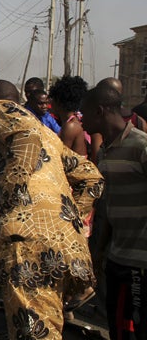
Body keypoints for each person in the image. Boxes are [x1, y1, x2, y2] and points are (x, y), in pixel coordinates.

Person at [0, 80, 103, 338]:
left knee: (33, 332)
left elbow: (25, 140)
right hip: (67, 245)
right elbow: (92, 178)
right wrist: (72, 220)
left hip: (28, 244)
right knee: (49, 326)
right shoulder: (48, 133)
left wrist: (13, 204)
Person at [81, 85, 147, 339]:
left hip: (139, 262)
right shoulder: (107, 152)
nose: (82, 120)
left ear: (99, 112)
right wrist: (98, 252)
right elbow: (108, 206)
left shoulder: (140, 147)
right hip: (118, 257)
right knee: (118, 326)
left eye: (85, 114)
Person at [48, 75, 90, 157]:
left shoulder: (70, 126)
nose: (50, 102)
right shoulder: (71, 122)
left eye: (53, 98)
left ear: (59, 101)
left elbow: (59, 155)